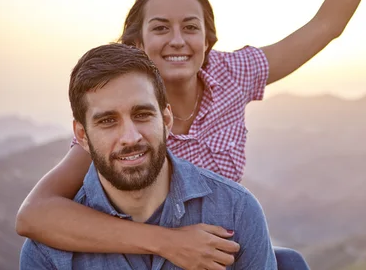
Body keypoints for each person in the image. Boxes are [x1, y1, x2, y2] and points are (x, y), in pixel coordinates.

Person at [16, 0, 366, 269]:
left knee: (291, 262)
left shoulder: (233, 74)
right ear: (137, 42)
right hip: (145, 250)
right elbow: (35, 216)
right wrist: (165, 243)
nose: (177, 41)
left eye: (191, 27)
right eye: (161, 28)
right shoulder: (123, 118)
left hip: (217, 250)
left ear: (208, 38)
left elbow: (325, 26)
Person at [20, 43, 277, 269]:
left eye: (142, 114)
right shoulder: (48, 253)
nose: (130, 137)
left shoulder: (237, 212)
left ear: (166, 119)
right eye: (108, 121)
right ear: (82, 135)